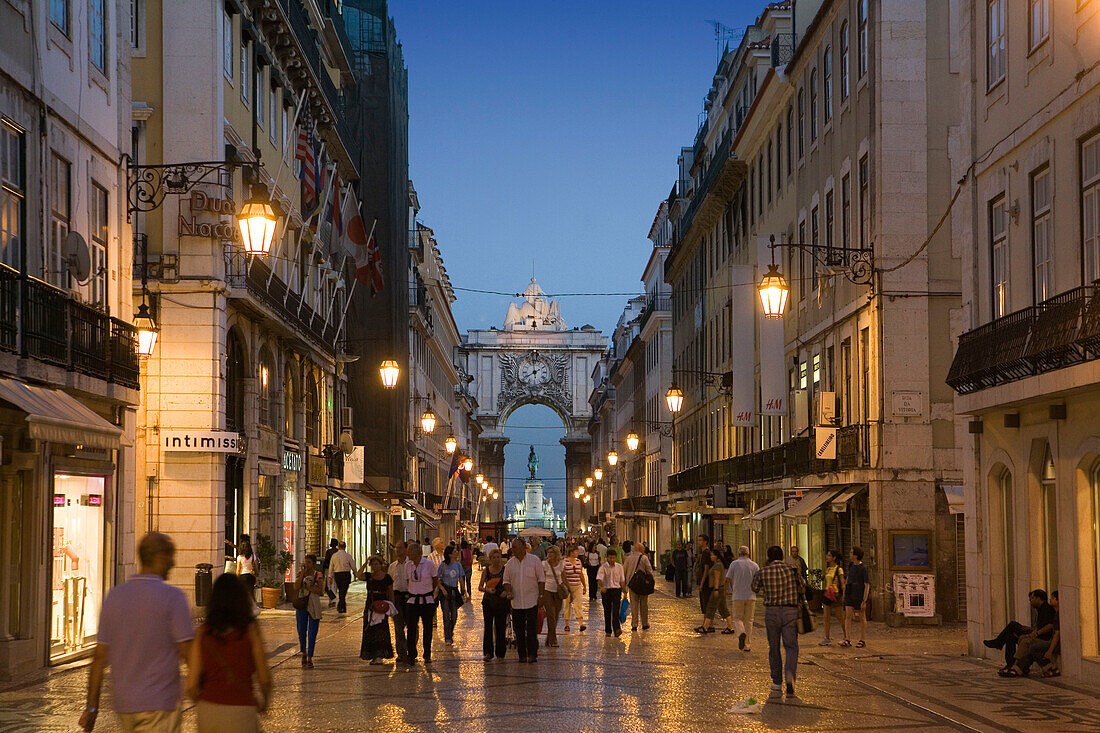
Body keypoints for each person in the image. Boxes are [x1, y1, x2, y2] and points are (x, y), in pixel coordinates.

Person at [80, 532, 194, 732]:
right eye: (170, 556)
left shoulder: (114, 597)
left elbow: (99, 658)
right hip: (159, 704)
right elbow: (188, 653)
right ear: (160, 557)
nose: (173, 563)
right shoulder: (173, 598)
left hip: (125, 706)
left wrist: (92, 707)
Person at [186, 573, 271, 732]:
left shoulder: (204, 633)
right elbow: (264, 678)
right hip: (241, 710)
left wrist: (205, 701)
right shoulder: (250, 630)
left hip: (208, 711)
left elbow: (191, 685)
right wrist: (264, 702)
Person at [752, 545, 806, 698]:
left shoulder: (763, 572)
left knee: (774, 647)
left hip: (772, 612)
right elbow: (802, 588)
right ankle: (790, 675)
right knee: (791, 646)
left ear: (768, 557)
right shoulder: (792, 570)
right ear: (782, 556)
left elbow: (754, 587)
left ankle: (776, 682)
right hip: (790, 611)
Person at [985, 588, 1058, 676]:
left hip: (1043, 638)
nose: (1030, 601)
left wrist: (1036, 633)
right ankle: (1010, 663)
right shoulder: (1040, 610)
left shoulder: (1046, 608)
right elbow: (1040, 626)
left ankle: (1015, 664)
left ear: (1039, 598)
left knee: (1016, 629)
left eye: (1032, 599)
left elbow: (1049, 626)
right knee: (1011, 637)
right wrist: (1031, 629)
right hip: (1037, 634)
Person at [503, 537, 546, 663]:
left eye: (515, 547)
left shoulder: (534, 561)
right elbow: (506, 581)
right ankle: (522, 654)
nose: (513, 550)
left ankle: (532, 654)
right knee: (519, 630)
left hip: (531, 600)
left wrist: (541, 596)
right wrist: (509, 591)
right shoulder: (510, 564)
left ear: (523, 547)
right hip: (516, 602)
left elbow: (541, 579)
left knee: (532, 629)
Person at [1006, 590, 1060, 677]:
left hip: (1051, 641)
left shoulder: (1051, 611)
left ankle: (1017, 666)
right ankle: (1019, 667)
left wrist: (1049, 650)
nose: (1050, 600)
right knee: (1022, 639)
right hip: (1049, 639)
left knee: (1032, 647)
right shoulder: (1049, 611)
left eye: (1053, 598)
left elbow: (1055, 632)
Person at [404, 543, 440, 665]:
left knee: (428, 628)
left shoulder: (429, 564)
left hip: (427, 601)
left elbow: (435, 580)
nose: (408, 553)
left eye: (410, 551)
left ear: (417, 552)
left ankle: (427, 653)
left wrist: (428, 591)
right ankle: (412, 654)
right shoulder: (408, 565)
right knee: (411, 629)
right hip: (413, 600)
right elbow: (408, 581)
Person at [358, 556, 395, 665]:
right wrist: (365, 563)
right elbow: (358, 575)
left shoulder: (387, 577)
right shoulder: (369, 576)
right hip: (371, 605)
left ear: (381, 565)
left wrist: (391, 606)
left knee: (381, 629)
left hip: (382, 606)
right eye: (372, 564)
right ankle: (372, 654)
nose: (374, 566)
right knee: (370, 629)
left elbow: (390, 592)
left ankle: (380, 654)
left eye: (376, 564)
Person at [726, 546, 760, 651]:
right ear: (748, 553)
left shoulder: (734, 564)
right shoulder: (754, 565)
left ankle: (741, 633)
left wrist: (725, 591)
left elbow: (727, 578)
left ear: (738, 553)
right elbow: (758, 580)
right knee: (749, 620)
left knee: (737, 618)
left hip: (737, 596)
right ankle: (747, 645)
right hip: (751, 596)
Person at [294, 554, 324, 669]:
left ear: (314, 563)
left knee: (312, 633)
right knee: (301, 631)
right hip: (301, 604)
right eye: (305, 562)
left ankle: (310, 657)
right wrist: (302, 575)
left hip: (313, 605)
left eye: (309, 562)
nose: (307, 564)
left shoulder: (318, 575)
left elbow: (320, 590)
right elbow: (296, 587)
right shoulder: (299, 573)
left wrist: (308, 588)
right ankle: (303, 653)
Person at [479, 548, 510, 661]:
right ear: (490, 559)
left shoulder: (505, 570)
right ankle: (488, 652)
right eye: (494, 557)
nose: (496, 559)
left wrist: (506, 592)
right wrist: (487, 590)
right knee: (488, 627)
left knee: (500, 627)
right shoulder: (487, 571)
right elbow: (480, 587)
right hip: (488, 601)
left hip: (501, 602)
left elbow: (509, 584)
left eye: (498, 557)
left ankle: (500, 653)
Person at [701, 550, 736, 634]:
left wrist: (716, 589)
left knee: (711, 607)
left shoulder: (717, 565)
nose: (711, 557)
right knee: (723, 608)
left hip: (717, 589)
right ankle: (730, 627)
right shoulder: (719, 565)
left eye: (712, 555)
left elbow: (717, 578)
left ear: (716, 556)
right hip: (720, 588)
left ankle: (705, 627)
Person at [841, 546, 871, 648]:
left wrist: (864, 599)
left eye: (851, 553)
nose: (849, 554)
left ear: (855, 555)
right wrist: (845, 592)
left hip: (859, 593)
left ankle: (862, 639)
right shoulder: (850, 565)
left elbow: (867, 584)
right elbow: (848, 578)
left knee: (862, 617)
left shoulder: (863, 569)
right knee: (848, 615)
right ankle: (847, 638)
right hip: (850, 592)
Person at [623, 540, 654, 631]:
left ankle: (634, 624)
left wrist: (625, 585)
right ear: (641, 549)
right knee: (644, 605)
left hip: (632, 584)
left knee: (634, 605)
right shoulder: (644, 558)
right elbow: (649, 571)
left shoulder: (629, 558)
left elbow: (624, 571)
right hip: (643, 585)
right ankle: (644, 623)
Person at [387, 541, 410, 663]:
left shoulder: (410, 565)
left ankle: (410, 649)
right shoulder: (392, 566)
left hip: (409, 596)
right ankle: (401, 653)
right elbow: (389, 585)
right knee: (398, 626)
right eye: (396, 548)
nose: (397, 550)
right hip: (397, 597)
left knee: (412, 626)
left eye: (400, 548)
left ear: (406, 550)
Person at [438, 545, 465, 645]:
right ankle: (448, 637)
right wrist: (442, 589)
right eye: (454, 551)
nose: (456, 553)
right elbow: (438, 580)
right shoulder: (443, 565)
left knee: (454, 615)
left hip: (454, 591)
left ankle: (450, 630)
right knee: (446, 615)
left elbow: (461, 578)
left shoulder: (458, 565)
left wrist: (463, 591)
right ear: (449, 554)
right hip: (445, 591)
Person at [819, 550, 846, 646]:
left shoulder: (839, 569)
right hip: (827, 594)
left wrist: (843, 595)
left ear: (834, 558)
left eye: (829, 555)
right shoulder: (828, 569)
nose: (827, 557)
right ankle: (827, 637)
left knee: (840, 617)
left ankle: (846, 636)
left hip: (835, 594)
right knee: (826, 617)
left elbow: (842, 584)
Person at [596, 549, 626, 637]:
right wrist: (602, 587)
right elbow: (599, 578)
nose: (612, 560)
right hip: (606, 591)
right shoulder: (603, 567)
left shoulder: (620, 567)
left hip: (616, 590)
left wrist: (624, 592)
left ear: (616, 558)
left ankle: (617, 629)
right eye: (610, 558)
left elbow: (622, 580)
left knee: (616, 610)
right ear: (607, 558)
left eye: (613, 558)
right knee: (607, 611)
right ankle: (608, 630)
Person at [542, 546, 566, 647]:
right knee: (550, 615)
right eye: (548, 552)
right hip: (547, 590)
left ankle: (549, 637)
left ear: (556, 554)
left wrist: (570, 591)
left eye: (552, 552)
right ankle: (554, 638)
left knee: (556, 616)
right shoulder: (544, 564)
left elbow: (564, 577)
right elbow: (541, 579)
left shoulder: (561, 564)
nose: (550, 555)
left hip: (558, 592)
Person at [562, 545, 587, 632]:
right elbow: (563, 575)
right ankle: (567, 624)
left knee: (578, 604)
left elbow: (581, 574)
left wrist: (584, 586)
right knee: (567, 605)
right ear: (571, 552)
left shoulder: (578, 561)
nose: (577, 553)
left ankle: (581, 624)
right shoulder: (564, 562)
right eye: (576, 551)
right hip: (567, 587)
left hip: (577, 586)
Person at [329, 541, 355, 614]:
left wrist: (330, 576)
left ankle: (341, 606)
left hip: (337, 574)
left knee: (340, 590)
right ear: (345, 547)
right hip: (346, 574)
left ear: (338, 547)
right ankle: (341, 606)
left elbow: (331, 566)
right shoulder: (348, 556)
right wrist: (356, 573)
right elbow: (353, 565)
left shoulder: (334, 556)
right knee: (343, 591)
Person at [234, 537, 258, 605]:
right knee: (251, 592)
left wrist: (236, 577)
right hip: (251, 576)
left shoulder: (240, 557)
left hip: (242, 576)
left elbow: (238, 569)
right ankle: (254, 605)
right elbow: (255, 567)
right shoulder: (253, 556)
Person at [693, 535, 711, 616]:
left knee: (705, 602)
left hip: (706, 582)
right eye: (698, 540)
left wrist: (702, 583)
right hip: (702, 581)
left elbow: (706, 569)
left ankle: (707, 624)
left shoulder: (706, 553)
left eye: (701, 540)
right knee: (703, 603)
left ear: (705, 542)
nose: (699, 542)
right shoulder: (702, 553)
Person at [322, 538, 339, 606]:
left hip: (328, 570)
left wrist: (323, 571)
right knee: (334, 586)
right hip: (336, 570)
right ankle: (333, 600)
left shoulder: (328, 552)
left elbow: (326, 561)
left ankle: (332, 600)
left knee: (329, 586)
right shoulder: (337, 552)